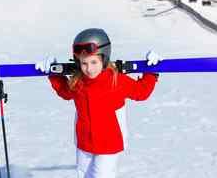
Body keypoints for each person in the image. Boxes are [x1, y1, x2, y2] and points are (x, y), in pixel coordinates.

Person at [35, 28, 162, 178]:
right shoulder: (78, 82)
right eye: (84, 63)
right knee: (83, 175)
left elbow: (141, 92)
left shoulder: (116, 80)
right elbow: (65, 92)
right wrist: (54, 74)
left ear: (104, 58)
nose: (89, 68)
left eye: (94, 62)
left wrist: (152, 70)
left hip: (109, 144)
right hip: (84, 142)